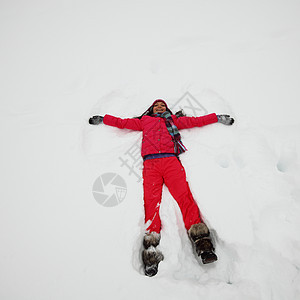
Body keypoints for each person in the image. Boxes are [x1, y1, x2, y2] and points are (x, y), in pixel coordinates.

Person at [89, 99, 234, 277]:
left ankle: (203, 244)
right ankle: (151, 252)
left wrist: (217, 117)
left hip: (171, 162)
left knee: (184, 197)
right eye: (156, 106)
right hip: (151, 165)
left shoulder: (174, 121)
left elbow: (196, 121)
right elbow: (122, 123)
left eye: (162, 106)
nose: (159, 107)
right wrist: (103, 119)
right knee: (151, 203)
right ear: (151, 109)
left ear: (166, 109)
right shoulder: (145, 121)